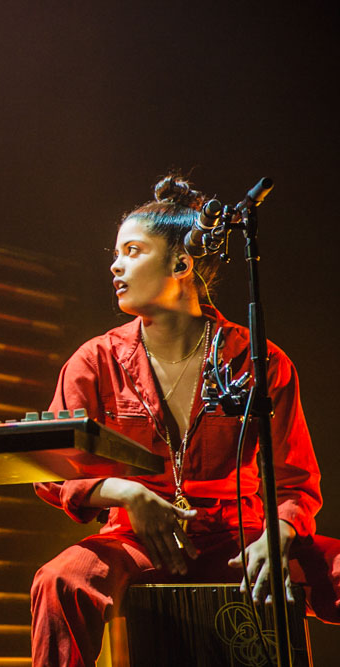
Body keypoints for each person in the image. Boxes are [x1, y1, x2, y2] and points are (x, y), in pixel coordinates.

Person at [29, 175, 340, 666]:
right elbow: (49, 470)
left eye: (133, 251)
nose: (115, 265)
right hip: (135, 542)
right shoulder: (95, 360)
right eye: (116, 253)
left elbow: (295, 484)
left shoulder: (259, 360)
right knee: (60, 580)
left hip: (240, 540)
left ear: (181, 263)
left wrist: (277, 535)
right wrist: (125, 493)